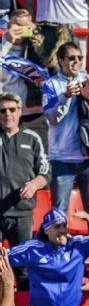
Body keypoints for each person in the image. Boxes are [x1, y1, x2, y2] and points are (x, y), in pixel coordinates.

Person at [45, 40, 89, 213]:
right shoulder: (51, 85)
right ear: (60, 60)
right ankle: (60, 241)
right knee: (59, 212)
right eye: (71, 58)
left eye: (80, 58)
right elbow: (52, 118)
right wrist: (66, 97)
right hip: (62, 158)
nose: (76, 62)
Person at [0, 90, 49, 252]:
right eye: (2, 111)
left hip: (22, 214)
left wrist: (34, 184)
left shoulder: (32, 138)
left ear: (20, 111)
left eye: (12, 109)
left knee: (23, 268)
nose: (8, 114)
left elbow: (45, 172)